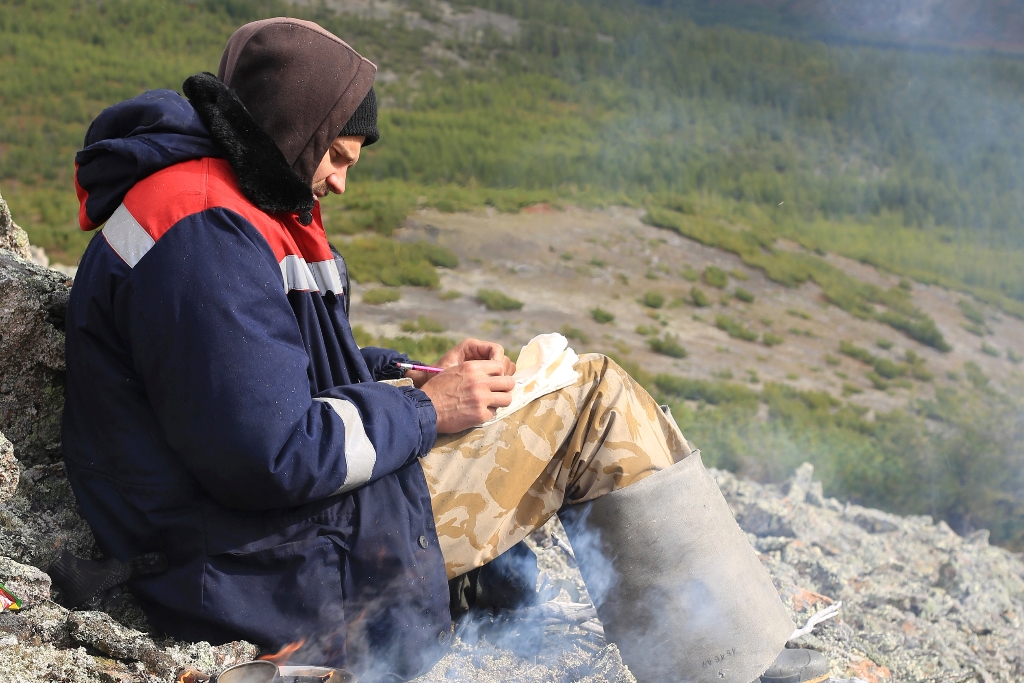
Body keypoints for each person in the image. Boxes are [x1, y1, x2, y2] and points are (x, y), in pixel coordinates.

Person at [63, 17, 821, 683]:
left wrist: (414, 374)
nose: (340, 183)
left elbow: (273, 372)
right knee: (593, 402)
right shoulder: (205, 235)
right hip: (256, 565)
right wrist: (429, 411)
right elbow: (271, 454)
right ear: (295, 125)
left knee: (529, 395)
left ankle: (570, 613)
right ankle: (735, 664)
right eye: (338, 157)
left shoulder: (216, 200)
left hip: (255, 541)